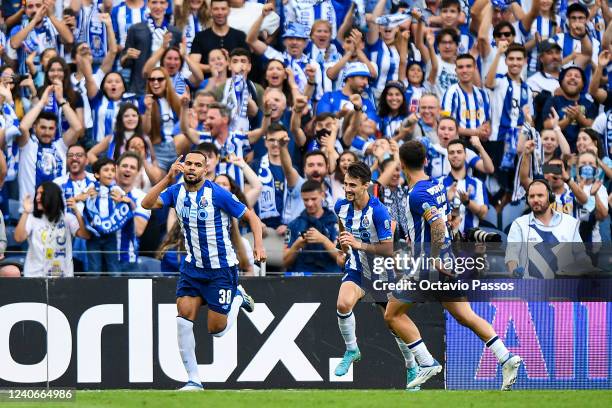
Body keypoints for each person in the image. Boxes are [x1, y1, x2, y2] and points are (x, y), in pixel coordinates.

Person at [384, 139, 522, 391]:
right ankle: (507, 358)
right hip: (446, 261)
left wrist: (434, 256)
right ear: (426, 160)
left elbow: (437, 224)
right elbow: (445, 220)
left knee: (392, 314)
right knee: (465, 316)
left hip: (429, 264)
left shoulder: (417, 194)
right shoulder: (436, 186)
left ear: (402, 164)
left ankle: (426, 362)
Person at [141, 151, 265, 391]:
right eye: (189, 163)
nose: (192, 168)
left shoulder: (217, 193)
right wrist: (167, 178)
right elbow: (146, 203)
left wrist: (259, 245)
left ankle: (237, 298)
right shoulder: (175, 191)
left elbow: (251, 217)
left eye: (198, 165)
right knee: (183, 318)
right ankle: (194, 380)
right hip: (192, 267)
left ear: (205, 171)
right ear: (182, 166)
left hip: (221, 269)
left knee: (216, 330)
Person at [333, 161, 418, 389]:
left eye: (353, 185)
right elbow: (343, 229)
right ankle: (352, 349)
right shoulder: (340, 206)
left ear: (366, 186)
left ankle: (412, 367)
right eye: (345, 184)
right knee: (343, 304)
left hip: (381, 271)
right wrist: (343, 244)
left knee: (393, 325)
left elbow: (387, 249)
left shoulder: (378, 211)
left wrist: (358, 244)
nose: (348, 189)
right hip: (357, 268)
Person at [17, 85, 82, 208]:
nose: (47, 132)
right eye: (43, 127)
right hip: (30, 212)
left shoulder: (60, 145)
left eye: (51, 128)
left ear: (55, 130)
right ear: (35, 127)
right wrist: (42, 102)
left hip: (56, 210)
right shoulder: (27, 144)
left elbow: (77, 128)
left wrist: (61, 100)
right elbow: (23, 127)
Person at [506, 179, 585, 279]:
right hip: (530, 289)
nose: (535, 200)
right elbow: (512, 255)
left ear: (550, 197)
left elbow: (581, 255)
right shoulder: (519, 224)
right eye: (531, 196)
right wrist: (514, 271)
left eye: (540, 195)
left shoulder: (570, 223)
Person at [14, 181, 90, 277]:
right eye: (37, 194)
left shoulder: (68, 218)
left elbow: (85, 235)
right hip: (34, 275)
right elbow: (18, 238)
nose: (37, 197)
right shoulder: (32, 217)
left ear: (52, 196)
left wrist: (77, 212)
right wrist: (26, 212)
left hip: (62, 276)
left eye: (41, 194)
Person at [121, 0, 182, 95]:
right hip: (140, 89)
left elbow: (178, 64)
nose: (158, 6)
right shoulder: (135, 29)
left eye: (162, 3)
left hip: (166, 89)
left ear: (167, 5)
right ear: (148, 4)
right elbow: (124, 63)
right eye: (154, 2)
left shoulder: (175, 33)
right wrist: (127, 56)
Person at [53, 143, 96, 272]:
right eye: (70, 155)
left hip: (95, 229)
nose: (74, 158)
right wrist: (80, 197)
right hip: (66, 232)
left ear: (87, 160)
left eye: (79, 155)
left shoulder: (97, 180)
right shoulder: (57, 183)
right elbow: (54, 212)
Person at [283, 179, 339, 273]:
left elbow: (342, 258)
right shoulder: (292, 225)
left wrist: (323, 240)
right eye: (305, 200)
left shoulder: (336, 224)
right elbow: (284, 262)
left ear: (322, 195)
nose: (309, 203)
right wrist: (296, 246)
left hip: (329, 276)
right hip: (301, 278)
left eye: (313, 199)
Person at [439, 139, 488, 235]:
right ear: (448, 157)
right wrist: (446, 200)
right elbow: (430, 213)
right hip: (445, 240)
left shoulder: (477, 183)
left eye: (459, 152)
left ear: (466, 155)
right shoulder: (438, 183)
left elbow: (483, 214)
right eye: (451, 152)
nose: (455, 155)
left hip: (470, 242)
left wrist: (467, 202)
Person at [189, 0, 247, 75]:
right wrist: (215, 67)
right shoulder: (200, 37)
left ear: (229, 10)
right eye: (216, 9)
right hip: (208, 84)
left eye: (223, 9)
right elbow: (192, 65)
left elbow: (246, 64)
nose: (220, 12)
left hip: (235, 83)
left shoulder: (240, 36)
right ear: (210, 11)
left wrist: (228, 63)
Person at [441, 54, 491, 140]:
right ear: (456, 70)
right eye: (460, 67)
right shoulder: (451, 92)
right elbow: (446, 124)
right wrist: (475, 132)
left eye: (468, 66)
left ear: (475, 68)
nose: (464, 70)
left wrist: (486, 129)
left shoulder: (483, 93)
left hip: (482, 143)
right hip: (460, 142)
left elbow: (487, 120)